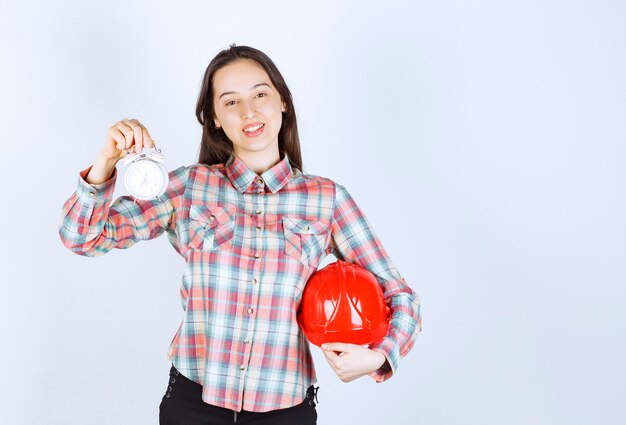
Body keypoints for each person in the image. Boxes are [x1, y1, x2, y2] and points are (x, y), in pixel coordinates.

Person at [58, 44, 423, 425]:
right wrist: (106, 161)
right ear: (214, 118)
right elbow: (81, 237)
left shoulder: (326, 199)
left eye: (260, 94)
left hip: (285, 410)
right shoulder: (188, 187)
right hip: (192, 404)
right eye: (231, 102)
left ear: (282, 101)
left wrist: (379, 356)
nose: (249, 112)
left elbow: (400, 296)